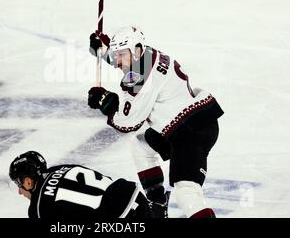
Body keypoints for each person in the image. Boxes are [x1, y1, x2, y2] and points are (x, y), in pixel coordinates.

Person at [87, 26, 224, 218]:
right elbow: (126, 64)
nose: (117, 60)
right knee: (141, 145)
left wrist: (106, 103)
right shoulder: (147, 54)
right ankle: (157, 205)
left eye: (121, 54)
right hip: (185, 123)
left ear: (136, 50)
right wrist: (104, 50)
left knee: (187, 192)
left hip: (191, 133)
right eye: (116, 54)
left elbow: (128, 123)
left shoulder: (141, 77)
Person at [9, 150, 154, 219]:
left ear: (28, 182)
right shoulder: (60, 168)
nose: (20, 192)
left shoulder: (38, 208)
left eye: (19, 185)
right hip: (135, 198)